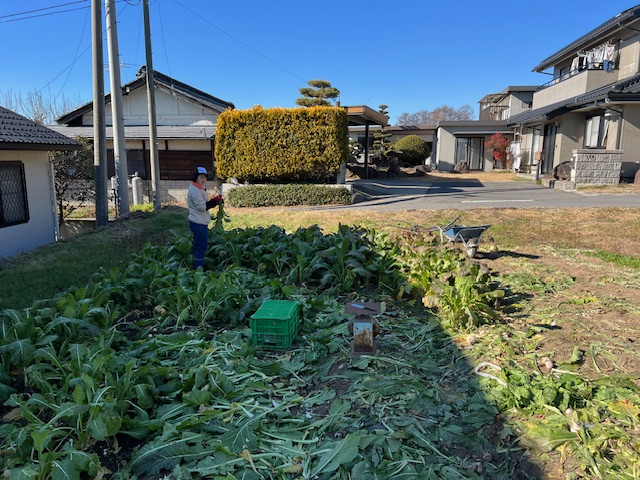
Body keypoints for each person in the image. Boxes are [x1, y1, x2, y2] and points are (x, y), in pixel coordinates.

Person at [187, 167, 222, 269]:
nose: (203, 179)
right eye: (201, 177)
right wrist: (214, 201)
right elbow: (202, 207)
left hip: (200, 220)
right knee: (200, 246)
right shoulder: (195, 191)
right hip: (198, 222)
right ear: (196, 178)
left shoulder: (198, 188)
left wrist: (215, 201)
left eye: (205, 178)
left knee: (200, 245)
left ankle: (198, 267)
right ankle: (198, 270)